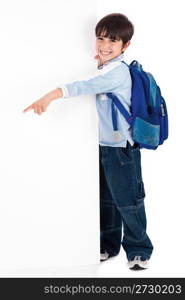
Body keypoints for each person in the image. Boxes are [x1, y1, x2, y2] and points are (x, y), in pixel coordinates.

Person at [23, 13, 153, 270]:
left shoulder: (117, 72)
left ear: (125, 46)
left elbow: (85, 86)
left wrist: (51, 96)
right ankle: (108, 244)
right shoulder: (109, 68)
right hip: (107, 145)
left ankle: (139, 250)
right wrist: (102, 63)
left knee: (128, 200)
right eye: (101, 38)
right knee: (107, 199)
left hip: (122, 149)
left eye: (112, 41)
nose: (104, 45)